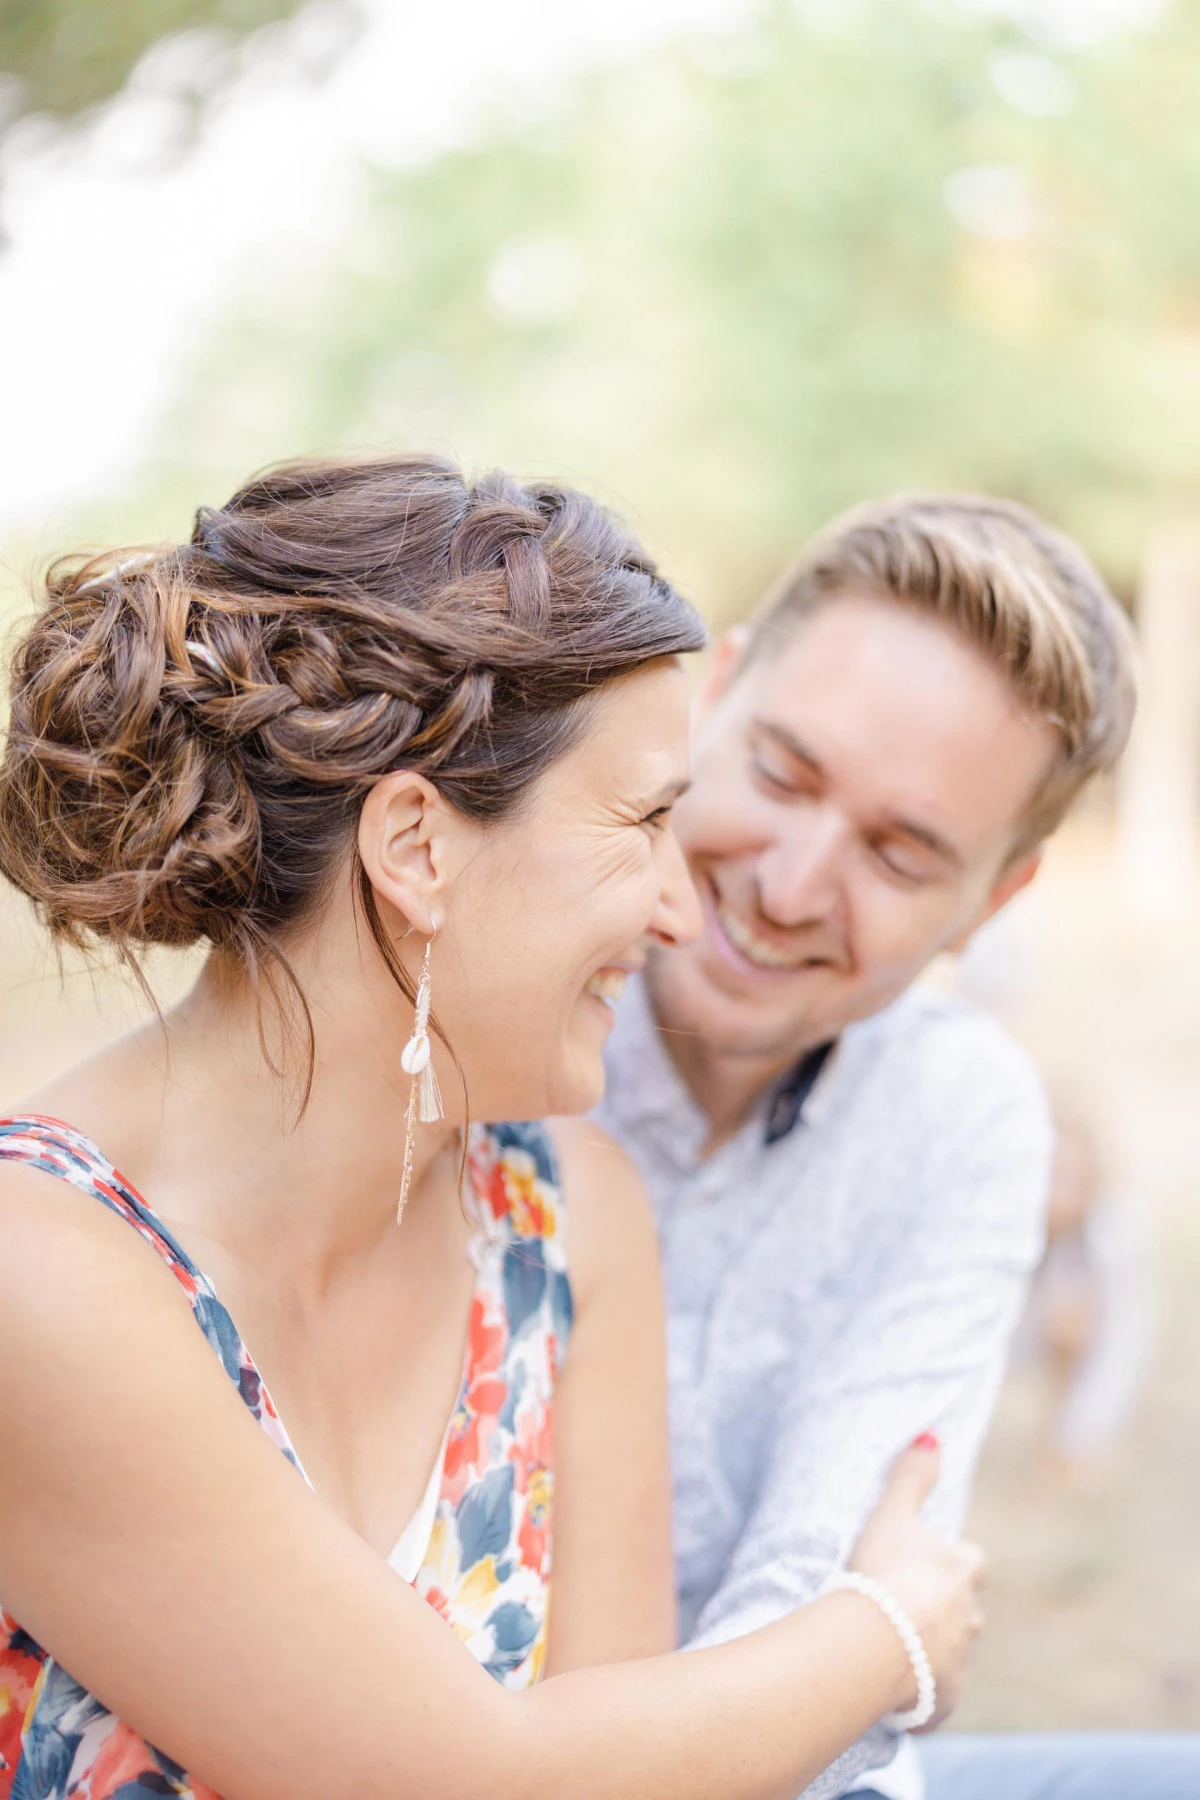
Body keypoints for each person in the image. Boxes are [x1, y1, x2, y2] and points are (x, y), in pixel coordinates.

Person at [0, 455, 986, 1800]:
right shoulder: (40, 1273)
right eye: (642, 822)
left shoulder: (566, 1222)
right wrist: (891, 1634)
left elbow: (631, 1761)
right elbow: (474, 1779)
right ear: (416, 846)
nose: (679, 911)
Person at [596, 494, 1200, 1798]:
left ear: (992, 902)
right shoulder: (488, 1016)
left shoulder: (963, 1117)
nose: (791, 887)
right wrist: (876, 1647)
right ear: (715, 696)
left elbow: (824, 1596)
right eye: (781, 776)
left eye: (902, 853)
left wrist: (854, 1651)